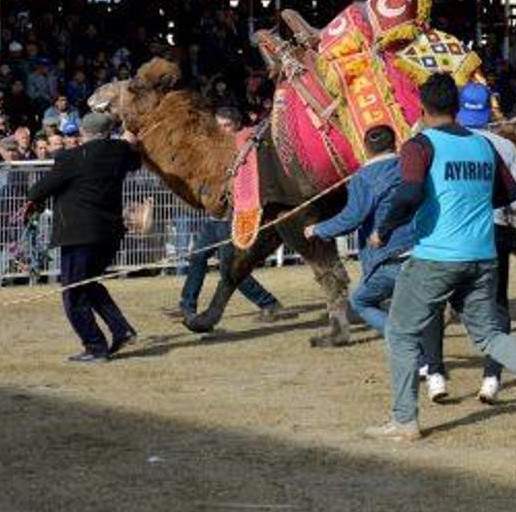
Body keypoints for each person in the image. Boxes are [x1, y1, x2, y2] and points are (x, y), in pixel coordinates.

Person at [365, 73, 516, 441]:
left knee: (400, 331)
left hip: (437, 255)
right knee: (490, 334)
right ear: (457, 108)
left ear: (422, 108)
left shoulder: (420, 145)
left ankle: (405, 419)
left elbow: (410, 195)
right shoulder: (483, 147)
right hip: (483, 254)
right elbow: (507, 194)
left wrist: (383, 229)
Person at [304, 125, 450, 402]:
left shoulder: (364, 178)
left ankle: (414, 354)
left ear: (365, 147)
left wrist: (318, 229)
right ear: (394, 144)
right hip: (425, 251)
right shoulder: (412, 167)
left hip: (389, 257)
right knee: (426, 311)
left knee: (361, 301)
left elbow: (351, 218)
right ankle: (435, 375)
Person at [25, 112, 141, 362]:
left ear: (83, 132)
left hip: (79, 235)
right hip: (109, 233)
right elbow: (133, 156)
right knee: (89, 284)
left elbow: (38, 190)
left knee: (74, 293)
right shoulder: (120, 152)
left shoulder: (71, 158)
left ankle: (95, 347)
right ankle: (121, 329)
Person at [456, 81, 516, 404]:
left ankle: (432, 373)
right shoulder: (504, 147)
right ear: (490, 111)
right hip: (493, 231)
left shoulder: (442, 142)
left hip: (450, 235)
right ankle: (491, 378)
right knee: (498, 305)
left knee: (435, 299)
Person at [178, 107, 286, 322]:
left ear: (237, 125)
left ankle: (268, 303)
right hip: (215, 217)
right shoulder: (214, 147)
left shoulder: (248, 143)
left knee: (230, 269)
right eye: (219, 126)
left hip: (235, 217)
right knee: (198, 257)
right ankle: (187, 305)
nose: (222, 130)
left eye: (226, 125)